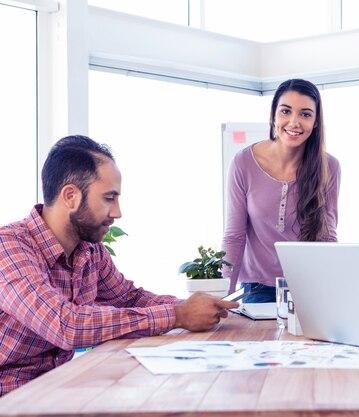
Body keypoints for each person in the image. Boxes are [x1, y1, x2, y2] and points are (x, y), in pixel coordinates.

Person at [0, 135, 239, 397]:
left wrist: (190, 306)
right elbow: (65, 325)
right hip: (11, 395)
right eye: (108, 198)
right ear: (70, 196)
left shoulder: (90, 251)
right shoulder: (9, 247)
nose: (117, 212)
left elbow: (128, 298)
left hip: (54, 390)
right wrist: (178, 315)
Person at [221, 79, 341, 302]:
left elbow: (327, 235)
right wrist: (223, 296)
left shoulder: (329, 166)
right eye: (286, 111)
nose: (294, 123)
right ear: (273, 115)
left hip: (309, 286)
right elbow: (234, 236)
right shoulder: (243, 162)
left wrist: (330, 290)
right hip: (257, 288)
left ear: (315, 122)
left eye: (305, 114)